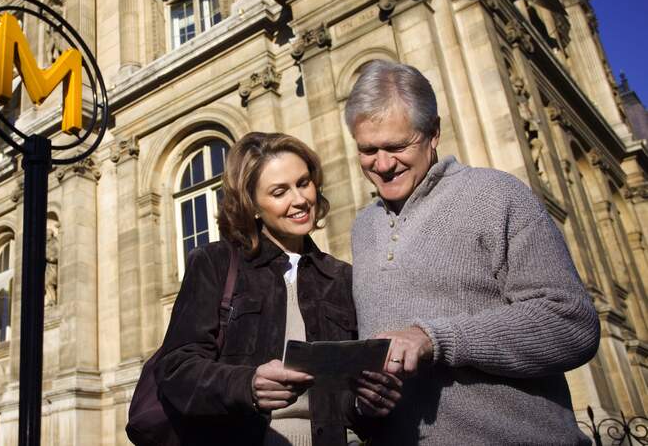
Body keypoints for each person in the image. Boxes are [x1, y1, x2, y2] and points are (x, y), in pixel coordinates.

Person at [344, 60, 600, 445]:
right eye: (368, 150)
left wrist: (435, 339)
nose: (382, 165)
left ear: (433, 134)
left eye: (396, 146)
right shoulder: (363, 227)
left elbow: (572, 323)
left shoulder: (497, 195)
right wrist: (366, 402)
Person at [154, 132, 401, 446]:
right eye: (279, 192)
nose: (299, 200)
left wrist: (368, 403)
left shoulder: (341, 277)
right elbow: (175, 371)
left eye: (303, 183)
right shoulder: (215, 263)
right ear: (252, 205)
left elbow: (348, 399)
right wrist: (248, 384)